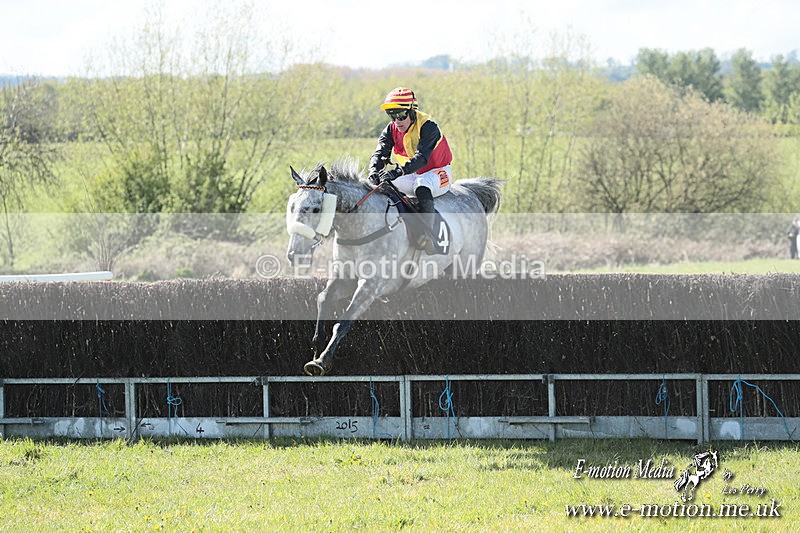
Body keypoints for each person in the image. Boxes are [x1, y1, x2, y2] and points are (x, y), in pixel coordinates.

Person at [369, 87, 452, 254]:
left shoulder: (429, 127)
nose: (397, 121)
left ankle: (428, 234)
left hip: (438, 172)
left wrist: (398, 172)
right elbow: (380, 153)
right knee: (384, 186)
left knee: (422, 186)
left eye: (401, 115)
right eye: (392, 115)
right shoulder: (391, 129)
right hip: (413, 173)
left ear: (412, 111)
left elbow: (421, 158)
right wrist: (373, 171)